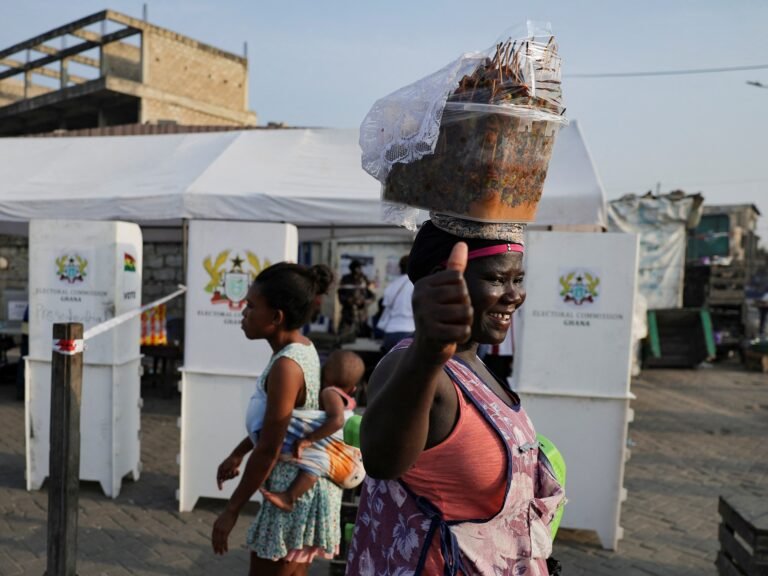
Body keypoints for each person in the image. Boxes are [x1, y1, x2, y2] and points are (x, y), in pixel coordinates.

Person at [347, 218, 564, 575]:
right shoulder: (412, 367)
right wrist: (427, 353)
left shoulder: (474, 365)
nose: (514, 295)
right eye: (496, 279)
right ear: (441, 280)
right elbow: (381, 460)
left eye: (517, 279)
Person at [211, 262, 342, 575]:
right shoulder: (302, 347)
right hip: (303, 489)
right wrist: (239, 451)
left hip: (290, 495)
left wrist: (231, 511)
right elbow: (282, 424)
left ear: (276, 317)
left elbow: (270, 447)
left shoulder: (286, 367)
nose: (244, 313)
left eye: (251, 306)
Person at [260, 349, 366, 512]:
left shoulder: (329, 392)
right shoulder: (348, 398)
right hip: (350, 465)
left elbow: (337, 421)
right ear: (353, 389)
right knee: (316, 465)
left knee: (314, 466)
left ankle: (289, 497)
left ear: (323, 374)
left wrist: (309, 439)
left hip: (339, 454)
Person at [378, 255, 415, 353]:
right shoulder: (416, 285)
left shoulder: (391, 286)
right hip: (409, 332)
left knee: (389, 367)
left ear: (400, 268)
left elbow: (383, 307)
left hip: (390, 333)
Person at [337, 259, 375, 338]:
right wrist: (349, 300)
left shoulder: (364, 279)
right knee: (344, 337)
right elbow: (340, 295)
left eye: (360, 268)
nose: (359, 270)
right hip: (348, 314)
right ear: (352, 269)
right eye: (357, 268)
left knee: (362, 337)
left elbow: (372, 296)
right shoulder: (345, 279)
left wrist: (364, 302)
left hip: (361, 316)